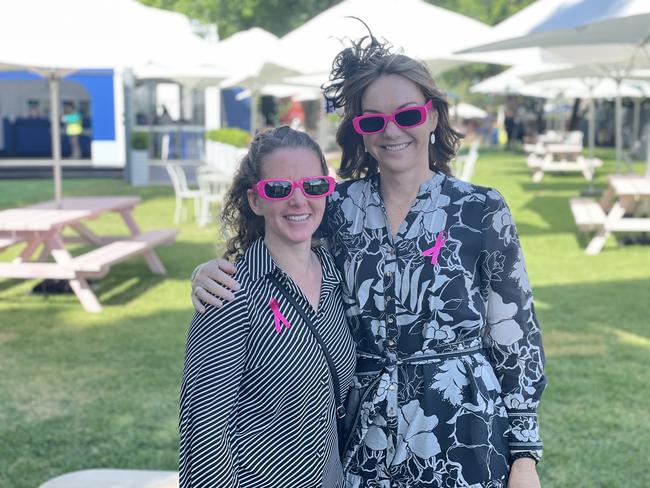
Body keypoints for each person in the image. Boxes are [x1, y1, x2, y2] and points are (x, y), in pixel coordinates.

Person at [191, 35, 546, 488]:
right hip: (366, 441)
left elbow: (516, 338)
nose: (391, 131)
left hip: (466, 434)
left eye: (408, 115)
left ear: (432, 116)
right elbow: (280, 238)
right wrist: (205, 272)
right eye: (374, 120)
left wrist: (525, 457)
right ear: (358, 128)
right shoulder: (336, 205)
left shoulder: (480, 210)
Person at [179, 126, 356, 488]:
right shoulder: (230, 293)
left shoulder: (339, 276)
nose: (298, 200)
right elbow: (204, 430)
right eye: (279, 189)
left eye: (313, 186)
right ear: (255, 200)